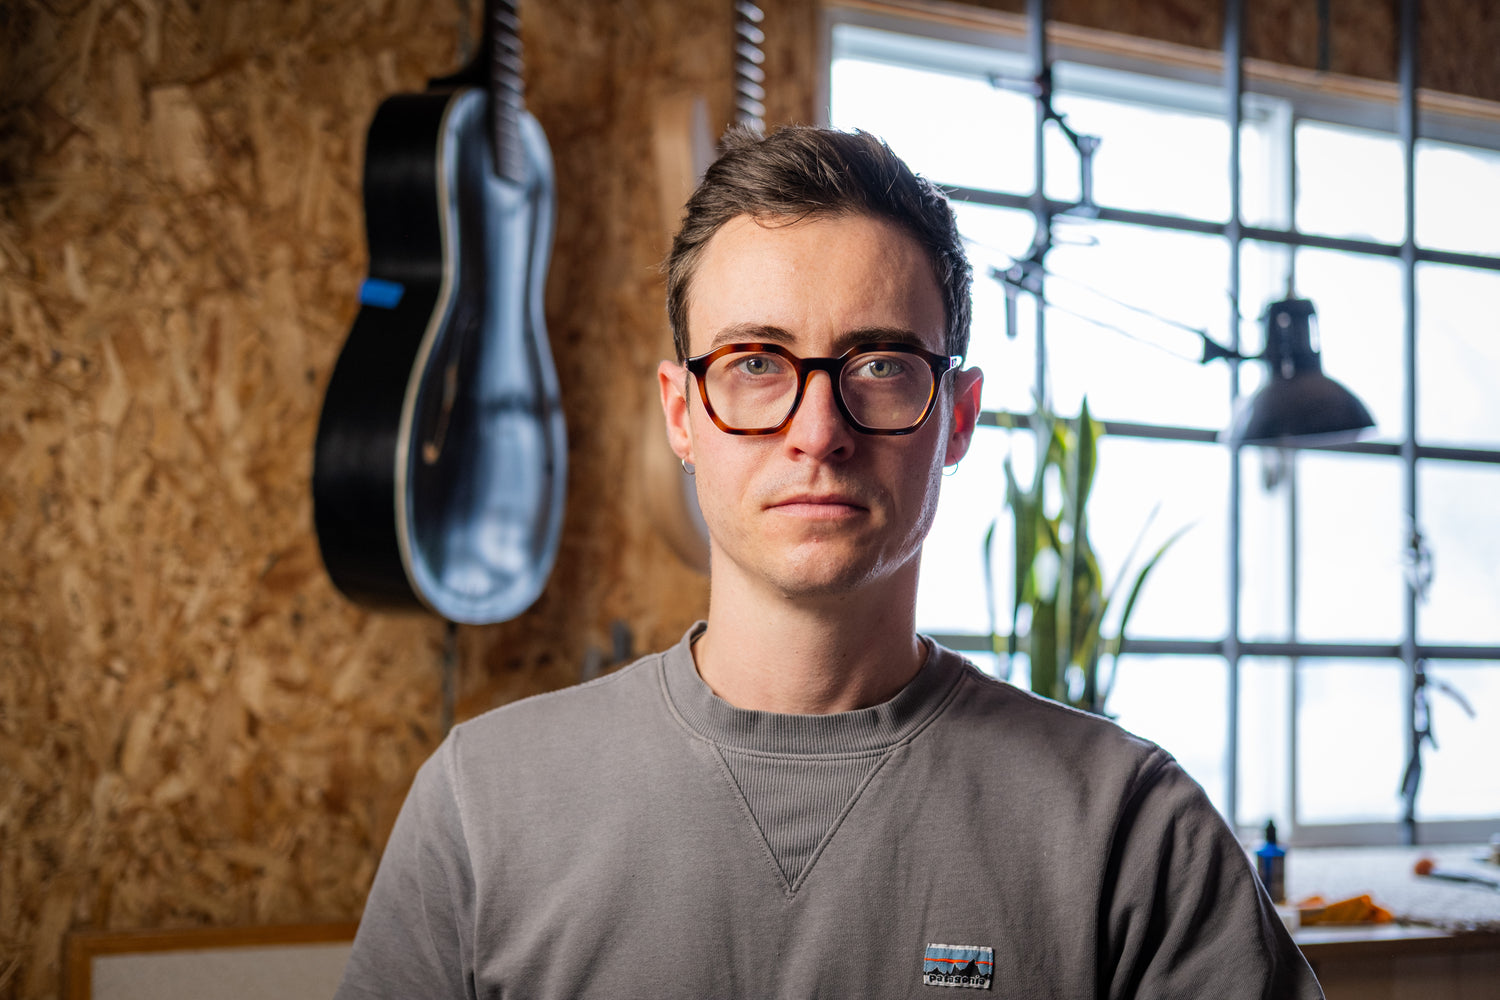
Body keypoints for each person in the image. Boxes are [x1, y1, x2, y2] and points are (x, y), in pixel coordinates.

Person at [333, 125, 1323, 999]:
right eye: (756, 364)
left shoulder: (1129, 831)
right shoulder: (482, 801)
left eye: (881, 366)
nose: (818, 432)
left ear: (958, 417)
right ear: (683, 414)